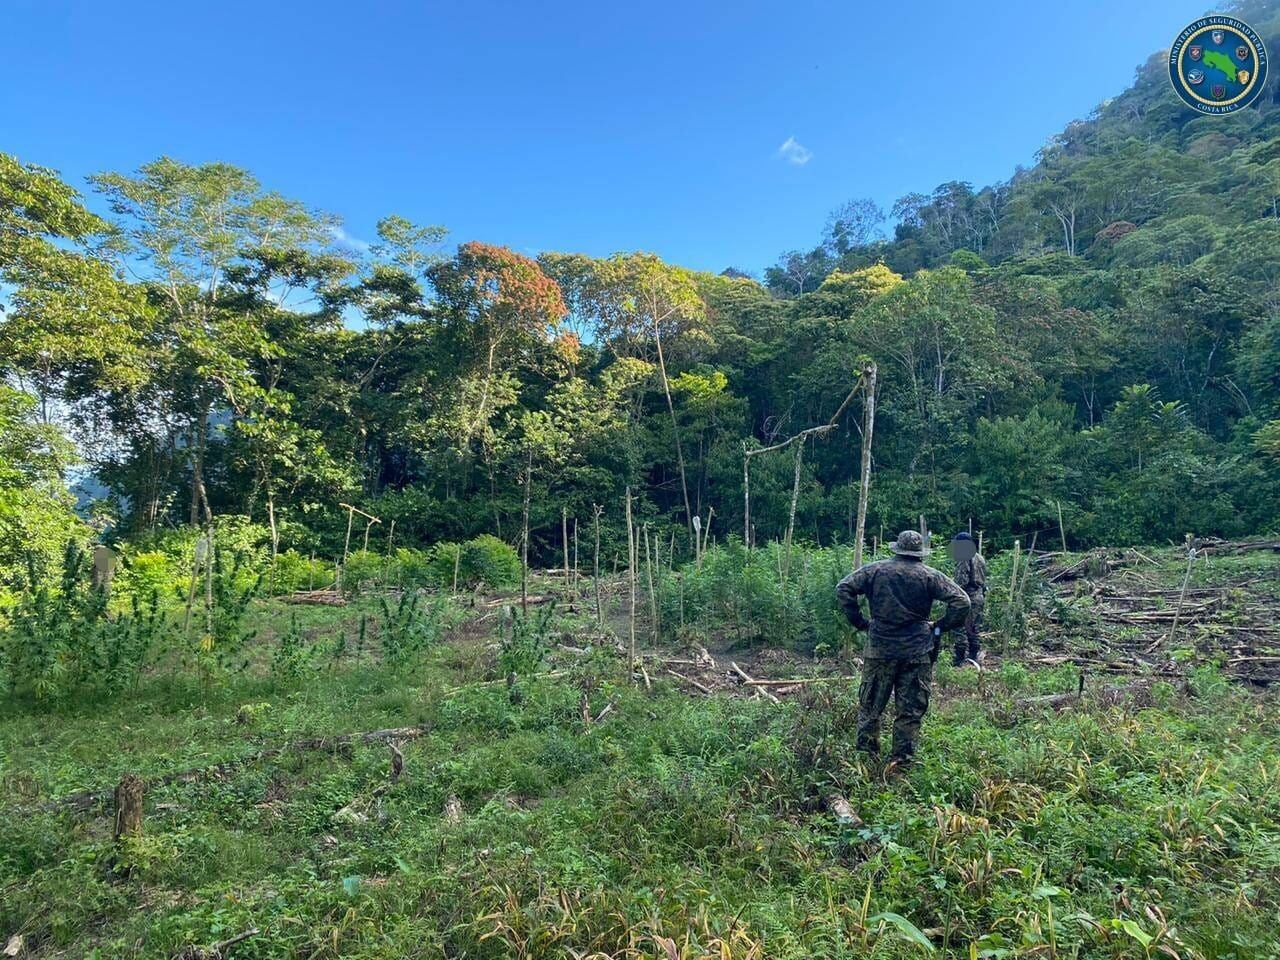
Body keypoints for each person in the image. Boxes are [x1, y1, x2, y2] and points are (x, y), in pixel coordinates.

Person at [836, 530, 969, 766]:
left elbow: (844, 588)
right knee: (909, 712)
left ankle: (866, 761)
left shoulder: (875, 570)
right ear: (919, 553)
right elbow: (962, 601)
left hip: (880, 650)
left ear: (896, 548)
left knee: (870, 707)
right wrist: (939, 626)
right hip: (916, 651)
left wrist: (859, 622)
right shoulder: (929, 575)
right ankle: (901, 763)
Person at [948, 531, 987, 667]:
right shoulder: (979, 558)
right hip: (979, 595)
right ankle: (973, 656)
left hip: (967, 595)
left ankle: (959, 659)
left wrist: (953, 596)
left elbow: (961, 580)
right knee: (974, 627)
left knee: (960, 626)